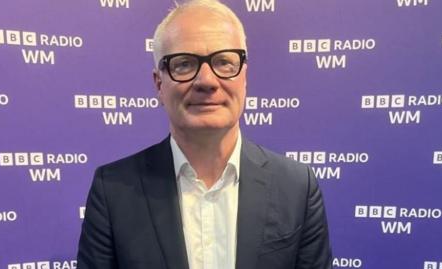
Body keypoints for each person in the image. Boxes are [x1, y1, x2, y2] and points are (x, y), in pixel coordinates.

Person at [76, 0, 332, 268]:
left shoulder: (297, 187)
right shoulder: (112, 190)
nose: (207, 81)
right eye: (184, 64)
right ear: (159, 84)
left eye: (224, 62)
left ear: (244, 77)